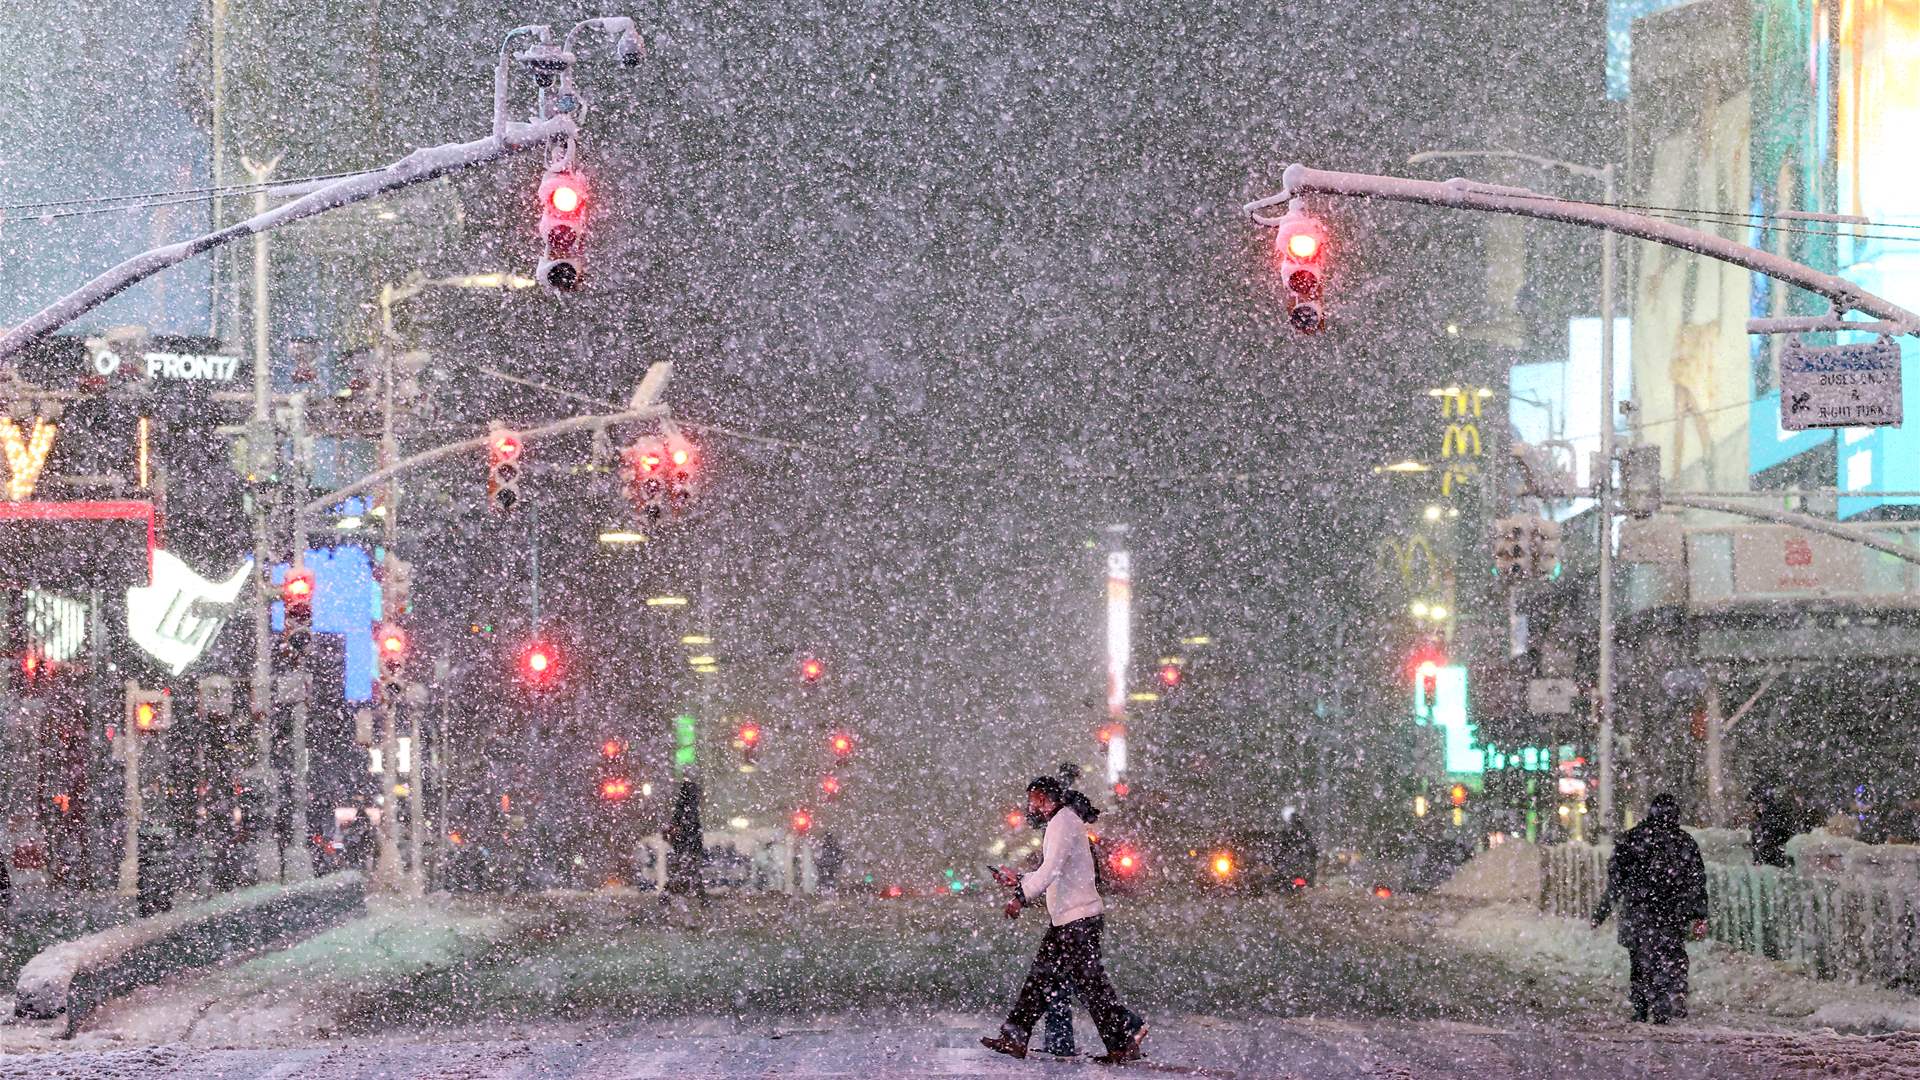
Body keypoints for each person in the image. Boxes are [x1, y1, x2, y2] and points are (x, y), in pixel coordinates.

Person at [982, 776, 1148, 1065]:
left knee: (1086, 985)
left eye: (1035, 799)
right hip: (1069, 920)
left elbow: (1051, 870)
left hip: (1077, 921)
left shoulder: (1062, 822)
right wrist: (1018, 879)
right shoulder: (1063, 822)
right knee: (1045, 979)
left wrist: (1020, 897)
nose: (1031, 806)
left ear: (1048, 799)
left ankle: (1126, 1033)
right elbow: (1052, 871)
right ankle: (1016, 1036)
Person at [1592, 793, 1709, 1024]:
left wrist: (1602, 911)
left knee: (1640, 961)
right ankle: (1667, 1001)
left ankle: (1641, 1007)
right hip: (1672, 914)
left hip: (1638, 912)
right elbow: (1697, 882)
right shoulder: (1684, 842)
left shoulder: (1632, 839)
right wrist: (1699, 915)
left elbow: (1616, 882)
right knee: (1671, 957)